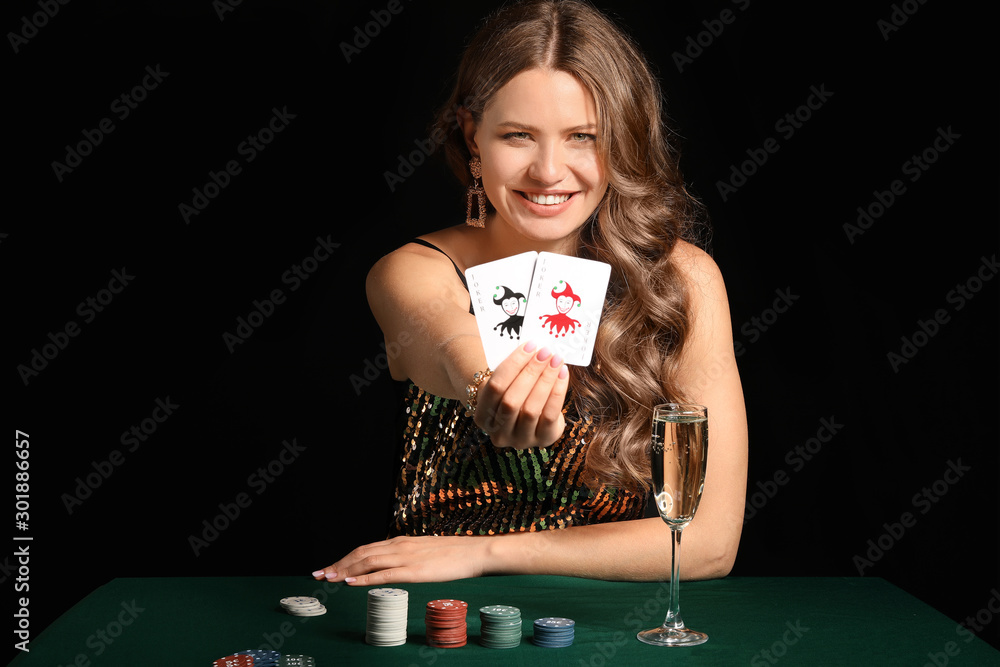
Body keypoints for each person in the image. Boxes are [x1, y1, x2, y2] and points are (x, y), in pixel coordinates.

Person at [314, 0, 747, 585]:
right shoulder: (412, 269)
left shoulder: (683, 279)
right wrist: (486, 388)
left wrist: (485, 553)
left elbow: (709, 545)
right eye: (518, 135)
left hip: (611, 626)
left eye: (583, 137)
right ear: (473, 137)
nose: (548, 171)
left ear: (622, 142)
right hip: (440, 622)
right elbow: (446, 339)